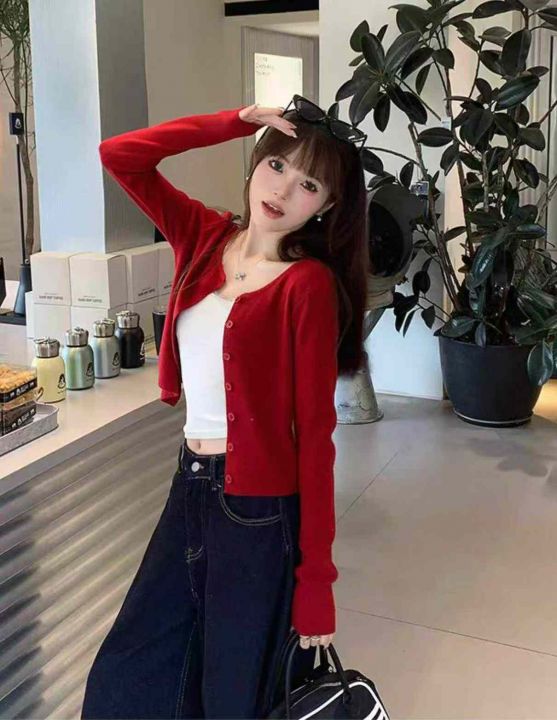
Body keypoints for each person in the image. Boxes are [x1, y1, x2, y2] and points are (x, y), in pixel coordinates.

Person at [81, 96, 369, 719]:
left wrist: (316, 584)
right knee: (129, 671)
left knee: (231, 690)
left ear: (327, 205)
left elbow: (316, 439)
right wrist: (232, 122)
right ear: (255, 161)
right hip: (189, 485)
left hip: (258, 511)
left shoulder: (308, 286)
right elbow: (119, 156)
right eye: (277, 165)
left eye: (309, 184)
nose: (283, 189)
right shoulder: (205, 236)